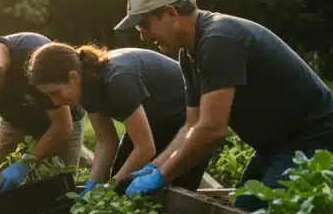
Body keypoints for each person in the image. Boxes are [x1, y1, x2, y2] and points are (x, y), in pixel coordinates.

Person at [113, 0, 333, 210]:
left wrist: (161, 177)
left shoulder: (219, 40)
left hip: (312, 137)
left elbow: (212, 129)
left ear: (170, 13)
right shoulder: (189, 55)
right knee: (245, 209)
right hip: (274, 145)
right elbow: (192, 125)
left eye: (144, 25)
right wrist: (154, 167)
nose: (143, 36)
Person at [27, 42, 211, 195]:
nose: (55, 101)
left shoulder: (117, 79)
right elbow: (106, 141)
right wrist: (94, 185)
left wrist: (111, 187)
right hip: (154, 121)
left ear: (73, 77)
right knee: (122, 185)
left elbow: (145, 149)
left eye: (55, 92)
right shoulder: (87, 87)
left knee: (170, 194)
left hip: (188, 121)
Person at [0, 30, 87, 193]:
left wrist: (26, 163)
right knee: (0, 184)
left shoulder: (32, 56)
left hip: (63, 119)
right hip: (14, 120)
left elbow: (62, 125)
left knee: (57, 188)